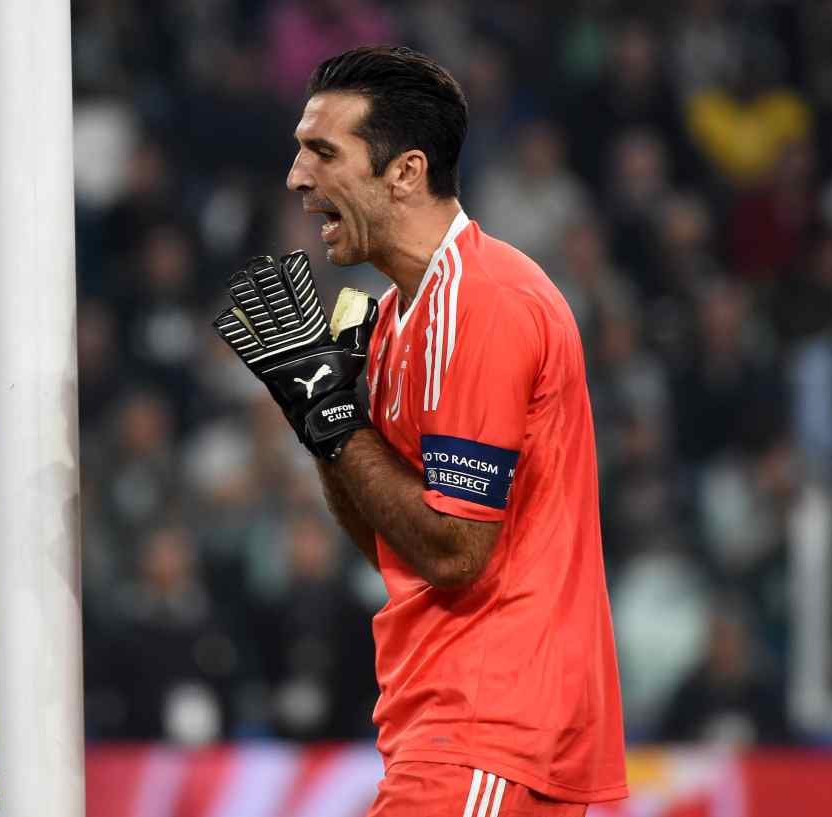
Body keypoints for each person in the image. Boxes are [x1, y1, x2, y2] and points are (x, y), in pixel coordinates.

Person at [215, 46, 627, 816]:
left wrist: (339, 427)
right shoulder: (398, 321)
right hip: (451, 730)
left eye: (322, 152)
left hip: (490, 726)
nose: (296, 178)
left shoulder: (486, 302)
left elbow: (454, 551)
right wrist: (322, 420)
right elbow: (391, 542)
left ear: (404, 171)